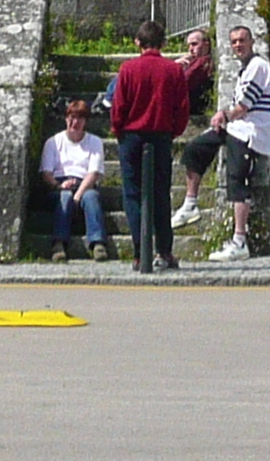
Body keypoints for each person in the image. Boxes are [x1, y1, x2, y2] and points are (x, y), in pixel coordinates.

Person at [108, 17, 187, 272]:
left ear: (138, 42)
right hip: (161, 135)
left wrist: (118, 129)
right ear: (163, 43)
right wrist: (173, 131)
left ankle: (140, 252)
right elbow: (182, 108)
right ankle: (164, 250)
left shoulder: (128, 69)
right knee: (161, 194)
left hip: (132, 136)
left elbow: (118, 106)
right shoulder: (173, 70)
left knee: (133, 194)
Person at [206, 22, 270, 263]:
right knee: (197, 148)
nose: (238, 45)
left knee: (237, 181)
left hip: (252, 134)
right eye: (234, 41)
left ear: (252, 42)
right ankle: (191, 203)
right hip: (240, 129)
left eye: (242, 40)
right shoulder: (245, 70)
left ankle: (239, 241)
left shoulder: (257, 67)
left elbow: (243, 107)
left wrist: (223, 115)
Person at [41, 98, 110, 261]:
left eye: (80, 118)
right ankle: (59, 244)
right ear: (66, 119)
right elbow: (46, 174)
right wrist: (59, 185)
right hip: (58, 185)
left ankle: (98, 243)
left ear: (85, 121)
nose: (75, 122)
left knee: (91, 197)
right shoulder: (53, 142)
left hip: (84, 183)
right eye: (71, 117)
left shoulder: (95, 142)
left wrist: (78, 194)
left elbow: (93, 173)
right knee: (64, 197)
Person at [170, 27, 221, 227]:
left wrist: (174, 69)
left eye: (195, 44)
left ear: (206, 44)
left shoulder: (201, 63)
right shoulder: (194, 62)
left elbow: (182, 83)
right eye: (189, 45)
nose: (191, 49)